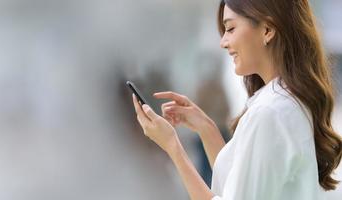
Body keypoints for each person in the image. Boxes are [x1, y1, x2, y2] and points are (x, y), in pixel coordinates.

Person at [131, 0, 342, 199]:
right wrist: (207, 128)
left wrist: (172, 146)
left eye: (230, 29)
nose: (223, 42)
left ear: (267, 31)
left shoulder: (270, 112)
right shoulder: (283, 101)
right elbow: (239, 184)